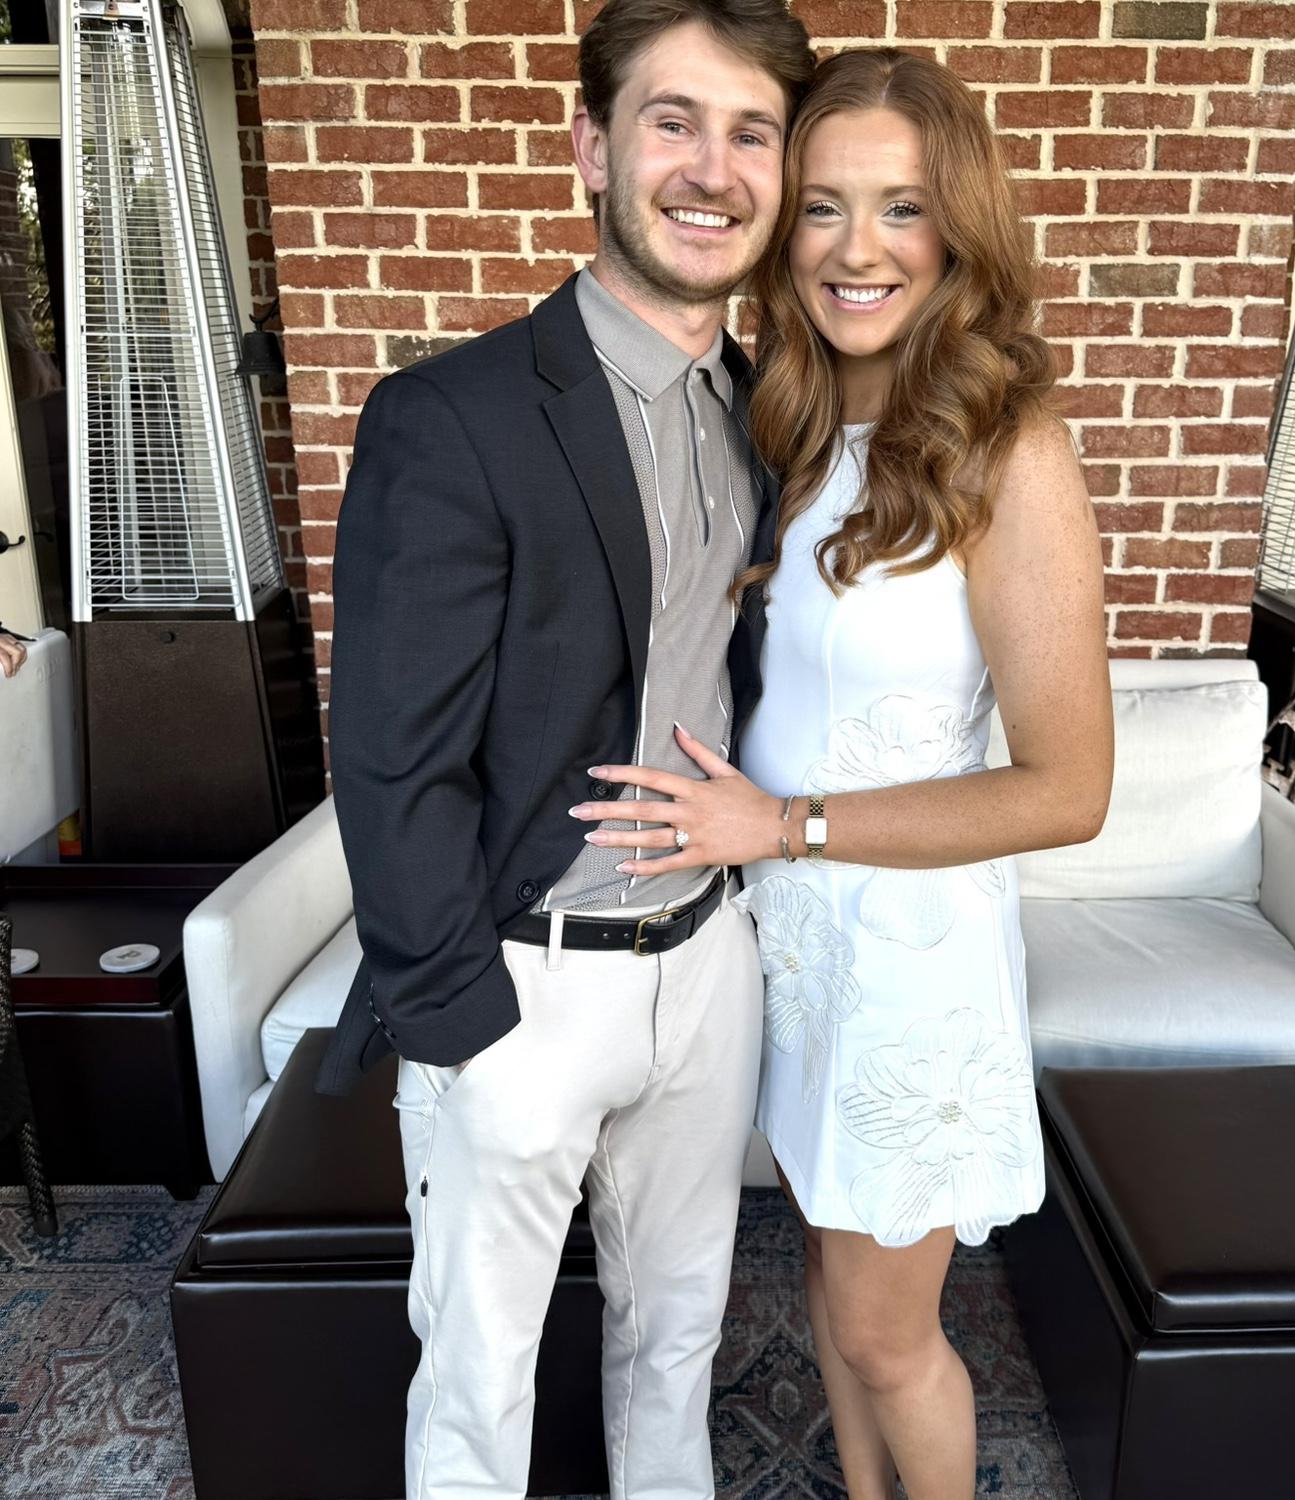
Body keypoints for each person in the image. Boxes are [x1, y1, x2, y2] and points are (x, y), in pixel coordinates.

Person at [572, 48, 1113, 1498]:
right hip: (792, 948)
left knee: (888, 1337)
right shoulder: (795, 428)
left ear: (961, 231)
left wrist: (780, 824)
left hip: (907, 966)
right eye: (822, 206)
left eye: (902, 208)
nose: (856, 249)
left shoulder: (1009, 449)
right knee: (826, 1280)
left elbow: (1068, 790)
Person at [314, 2, 814, 1496]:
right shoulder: (450, 416)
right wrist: (463, 1023)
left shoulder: (770, 414)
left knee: (677, 1342)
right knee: (480, 1381)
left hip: (707, 969)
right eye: (673, 122)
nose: (713, 168)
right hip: (523, 984)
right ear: (592, 146)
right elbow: (390, 758)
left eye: (752, 133)